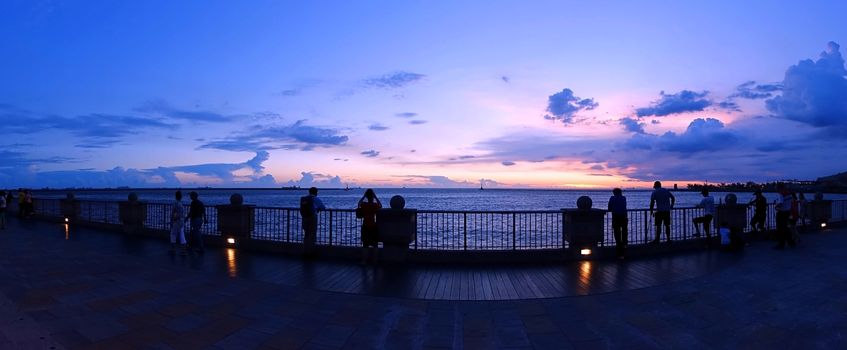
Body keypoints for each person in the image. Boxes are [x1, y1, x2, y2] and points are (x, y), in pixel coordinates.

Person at [357, 189, 382, 264]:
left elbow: (359, 203)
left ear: (367, 197)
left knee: (365, 245)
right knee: (375, 245)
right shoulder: (374, 205)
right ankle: (375, 260)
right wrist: (376, 197)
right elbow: (380, 205)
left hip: (365, 225)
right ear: (373, 197)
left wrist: (364, 196)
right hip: (373, 225)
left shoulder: (364, 205)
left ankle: (364, 261)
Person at [300, 187, 325, 257]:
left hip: (304, 217)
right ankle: (311, 253)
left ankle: (305, 252)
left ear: (309, 191)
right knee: (312, 235)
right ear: (316, 192)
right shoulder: (316, 199)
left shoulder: (305, 198)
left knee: (306, 235)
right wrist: (318, 209)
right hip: (312, 217)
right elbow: (323, 207)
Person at [773, 183, 796, 250]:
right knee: (785, 228)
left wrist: (776, 206)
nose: (776, 190)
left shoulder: (781, 194)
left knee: (780, 229)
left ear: (780, 188)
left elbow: (781, 203)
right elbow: (790, 202)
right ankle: (791, 242)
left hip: (781, 213)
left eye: (776, 188)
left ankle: (781, 244)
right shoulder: (789, 194)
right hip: (787, 212)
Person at [607, 188, 628, 259]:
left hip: (616, 217)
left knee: (617, 233)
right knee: (624, 231)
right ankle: (625, 245)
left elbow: (609, 208)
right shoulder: (623, 198)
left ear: (614, 193)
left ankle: (619, 249)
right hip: (624, 216)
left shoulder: (612, 198)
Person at [170, 190, 187, 255]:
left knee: (173, 235)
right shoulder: (181, 204)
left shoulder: (175, 203)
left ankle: (173, 249)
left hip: (176, 221)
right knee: (182, 236)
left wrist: (171, 221)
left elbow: (173, 213)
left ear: (175, 196)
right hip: (181, 221)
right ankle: (183, 251)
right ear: (181, 196)